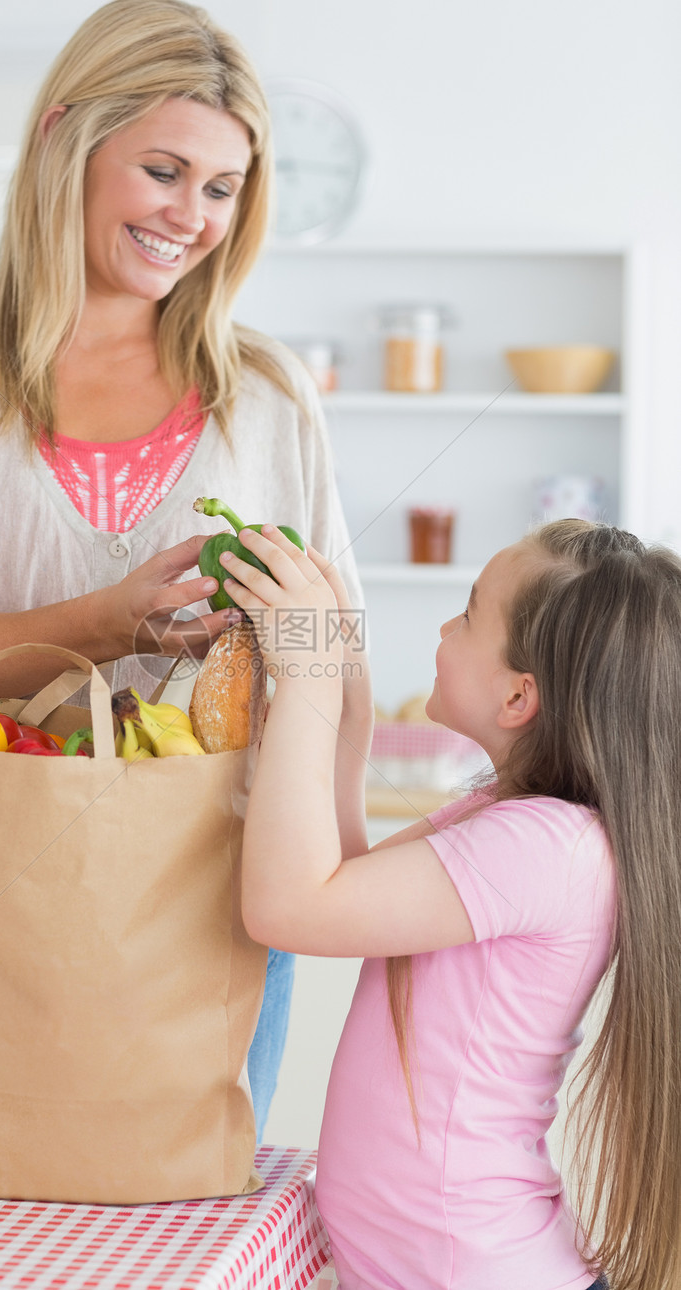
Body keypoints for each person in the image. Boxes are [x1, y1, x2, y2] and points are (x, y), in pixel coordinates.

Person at [0, 0, 361, 1136]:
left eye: (221, 189)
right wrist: (107, 623)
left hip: (210, 904)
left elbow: (330, 650)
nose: (191, 217)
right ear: (64, 138)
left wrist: (343, 867)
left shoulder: (264, 394)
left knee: (187, 1231)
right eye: (162, 169)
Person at [226, 517, 681, 1290]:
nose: (445, 624)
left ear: (517, 696)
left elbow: (288, 906)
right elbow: (339, 883)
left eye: (468, 613)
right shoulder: (507, 819)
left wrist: (306, 677)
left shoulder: (548, 847)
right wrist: (347, 692)